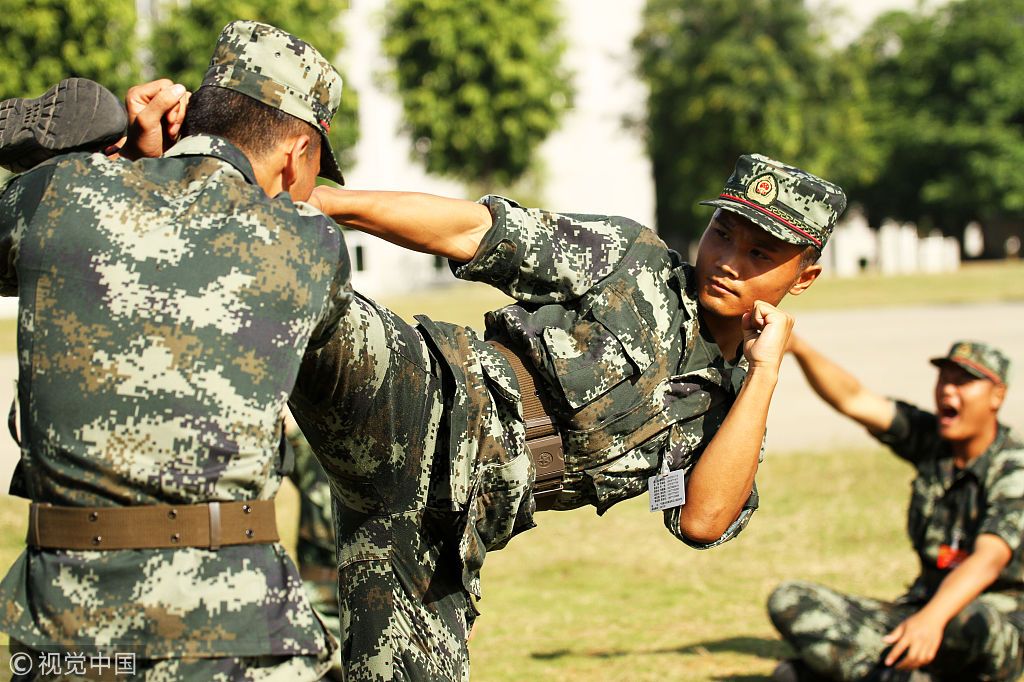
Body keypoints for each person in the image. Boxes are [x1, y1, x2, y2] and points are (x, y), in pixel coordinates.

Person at [284, 153, 847, 680]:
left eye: (759, 255)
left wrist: (765, 372)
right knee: (293, 274)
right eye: (721, 233)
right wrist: (327, 203)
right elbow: (477, 231)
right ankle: (245, 194)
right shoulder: (633, 261)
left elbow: (702, 522)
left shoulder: (735, 410)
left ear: (804, 278)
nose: (726, 262)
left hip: (443, 525)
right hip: (425, 398)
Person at [0, 20, 353, 680]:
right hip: (235, 632)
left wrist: (114, 157)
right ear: (298, 151)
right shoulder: (309, 243)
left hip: (65, 639)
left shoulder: (55, 196)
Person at [767, 338, 1024, 682]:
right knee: (790, 600)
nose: (948, 391)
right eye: (944, 379)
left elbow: (989, 559)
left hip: (988, 618)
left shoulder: (1014, 467)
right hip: (921, 609)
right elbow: (854, 400)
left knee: (968, 621)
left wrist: (932, 618)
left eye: (963, 382)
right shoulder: (933, 440)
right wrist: (798, 347)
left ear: (997, 396)